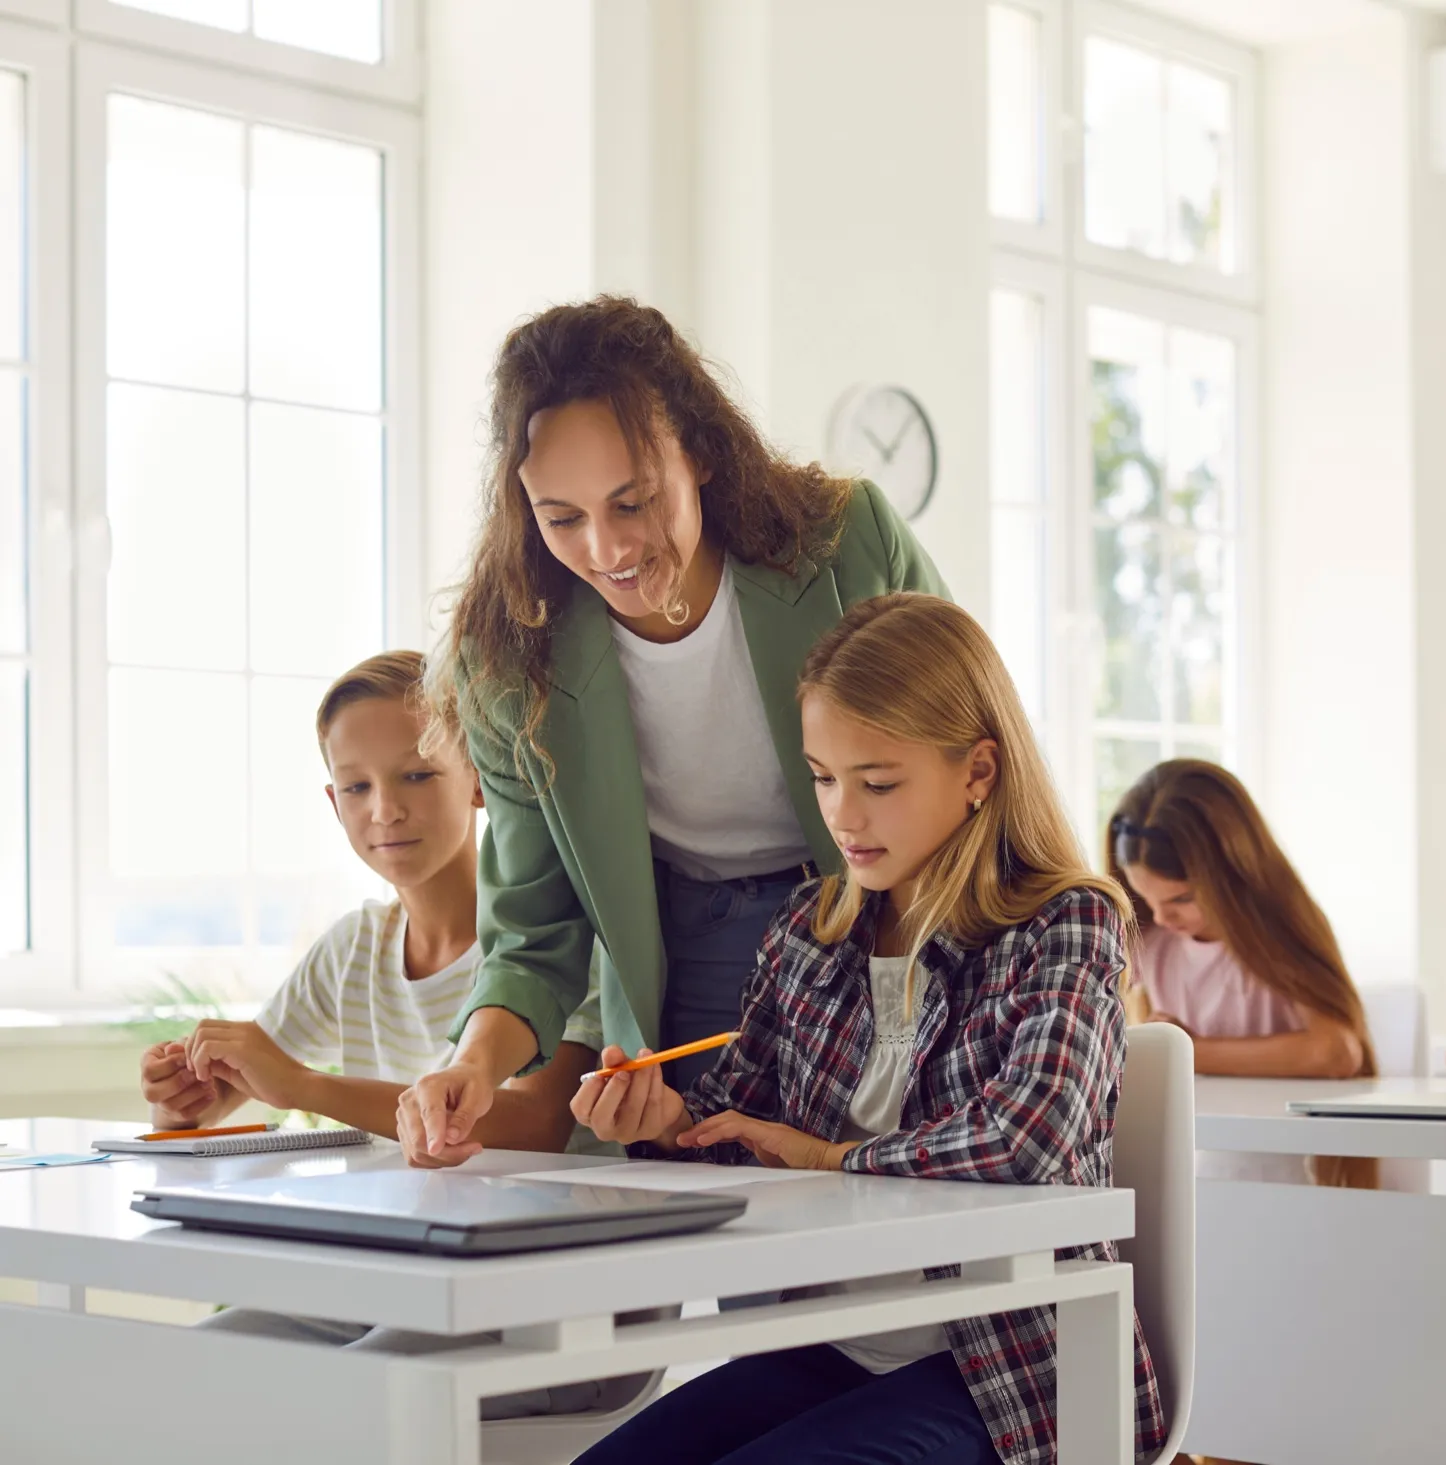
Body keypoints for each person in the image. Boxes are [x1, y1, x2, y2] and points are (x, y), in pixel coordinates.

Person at [566, 594, 1165, 1465]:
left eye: (878, 782)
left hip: (1009, 1367)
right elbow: (737, 1134)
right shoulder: (810, 930)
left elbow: (1028, 1140)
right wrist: (660, 1124)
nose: (843, 814)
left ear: (977, 771)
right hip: (838, 1341)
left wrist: (829, 1156)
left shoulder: (1064, 922)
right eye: (822, 776)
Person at [395, 296, 948, 1166]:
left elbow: (967, 745)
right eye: (561, 516)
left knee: (884, 1215)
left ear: (697, 450)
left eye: (634, 501)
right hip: (685, 948)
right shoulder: (508, 662)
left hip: (886, 916)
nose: (608, 548)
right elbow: (534, 935)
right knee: (729, 1249)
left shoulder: (846, 546)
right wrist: (472, 1065)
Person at [137, 651, 623, 1416]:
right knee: (192, 1372)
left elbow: (533, 1124)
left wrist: (301, 1086)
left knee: (342, 1398)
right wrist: (182, 1105)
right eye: (357, 786)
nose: (384, 809)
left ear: (481, 779)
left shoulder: (555, 946)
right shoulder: (355, 945)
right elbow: (226, 1094)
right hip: (398, 1284)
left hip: (556, 1304)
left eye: (416, 775)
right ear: (333, 803)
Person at [1107, 759, 1375, 1188]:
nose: (1161, 916)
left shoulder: (1278, 932)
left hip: (1280, 1166)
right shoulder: (1151, 935)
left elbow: (1337, 1052)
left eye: (1182, 898)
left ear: (1234, 872)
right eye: (1145, 897)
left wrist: (1187, 1049)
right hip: (1191, 1160)